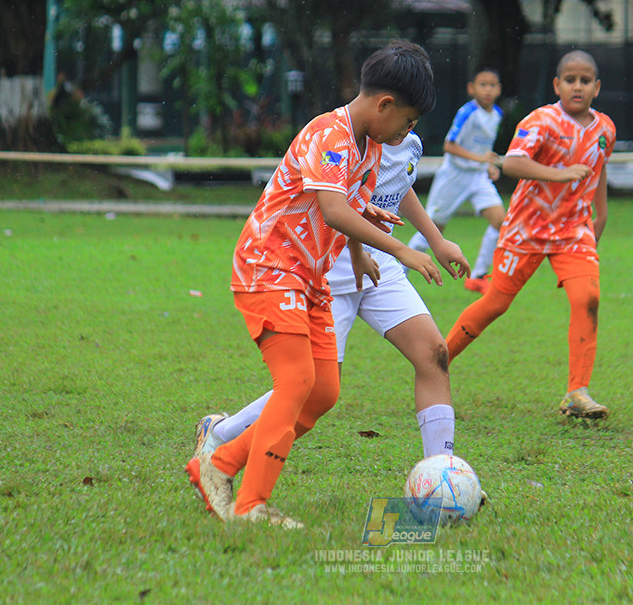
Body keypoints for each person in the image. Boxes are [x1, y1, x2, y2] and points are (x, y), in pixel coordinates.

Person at [185, 40, 449, 529]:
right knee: (297, 381)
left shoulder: (371, 146)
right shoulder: (330, 133)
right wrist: (402, 250)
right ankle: (251, 505)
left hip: (309, 277)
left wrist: (360, 253)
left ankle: (218, 464)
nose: (409, 132)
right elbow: (333, 208)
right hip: (269, 269)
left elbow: (347, 211)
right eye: (408, 121)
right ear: (384, 104)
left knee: (323, 391)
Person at [193, 133, 470, 477]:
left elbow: (400, 184)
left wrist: (437, 239)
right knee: (313, 389)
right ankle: (221, 435)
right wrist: (360, 251)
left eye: (416, 120)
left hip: (380, 265)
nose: (410, 126)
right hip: (331, 270)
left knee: (434, 354)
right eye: (408, 115)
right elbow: (340, 208)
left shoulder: (410, 140)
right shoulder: (345, 139)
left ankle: (441, 474)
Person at [444, 50, 614, 419]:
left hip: (573, 231)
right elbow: (513, 163)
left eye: (585, 81)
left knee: (588, 297)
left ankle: (577, 392)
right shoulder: (542, 120)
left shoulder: (605, 129)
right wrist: (560, 173)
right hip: (526, 229)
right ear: (557, 85)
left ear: (596, 87)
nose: (578, 86)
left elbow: (598, 170)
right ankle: (438, 359)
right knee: (495, 303)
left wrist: (601, 215)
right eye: (570, 80)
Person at [408, 67, 505, 294]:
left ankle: (479, 276)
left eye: (493, 85)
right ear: (471, 89)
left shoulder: (497, 114)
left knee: (502, 222)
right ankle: (399, 273)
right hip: (454, 176)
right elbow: (449, 146)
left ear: (499, 89)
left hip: (477, 177)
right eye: (483, 84)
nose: (488, 89)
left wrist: (487, 165)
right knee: (433, 229)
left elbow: (481, 147)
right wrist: (480, 158)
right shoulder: (467, 112)